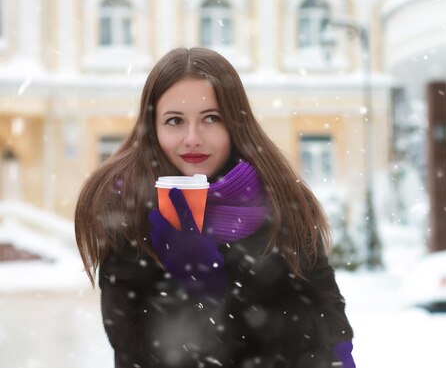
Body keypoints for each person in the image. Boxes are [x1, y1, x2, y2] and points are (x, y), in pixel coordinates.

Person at [74, 47, 356, 368]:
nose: (193, 138)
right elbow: (138, 355)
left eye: (211, 118)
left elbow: (326, 324)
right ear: (153, 129)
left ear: (236, 123)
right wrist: (198, 291)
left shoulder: (283, 200)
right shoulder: (130, 212)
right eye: (175, 121)